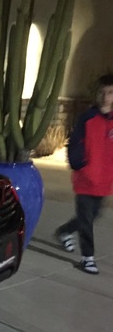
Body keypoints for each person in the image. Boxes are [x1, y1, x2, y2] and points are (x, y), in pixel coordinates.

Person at [55, 74, 113, 274]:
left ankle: (65, 231)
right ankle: (88, 258)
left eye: (110, 93)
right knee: (87, 219)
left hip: (105, 181)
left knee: (93, 215)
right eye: (102, 93)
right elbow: (74, 144)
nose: (106, 97)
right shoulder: (87, 118)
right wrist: (80, 166)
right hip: (86, 179)